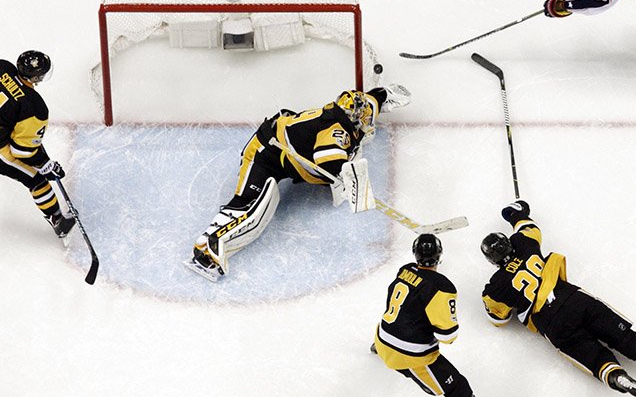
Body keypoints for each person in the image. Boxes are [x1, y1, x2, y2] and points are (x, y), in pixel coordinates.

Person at [186, 84, 412, 281]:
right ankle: (207, 249)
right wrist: (351, 181)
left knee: (350, 155)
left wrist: (386, 94)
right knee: (253, 208)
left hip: (291, 154)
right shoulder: (336, 129)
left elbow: (375, 98)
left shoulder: (358, 108)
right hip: (266, 153)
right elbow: (327, 163)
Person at [480, 201, 636, 397]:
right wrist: (515, 212)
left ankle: (620, 379)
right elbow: (527, 224)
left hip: (551, 322)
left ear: (492, 261)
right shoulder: (524, 243)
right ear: (509, 244)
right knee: (627, 339)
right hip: (575, 299)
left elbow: (498, 320)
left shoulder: (494, 289)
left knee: (596, 360)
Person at [0, 51, 75, 244]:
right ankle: (58, 221)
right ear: (37, 77)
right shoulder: (34, 106)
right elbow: (22, 151)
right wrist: (45, 164)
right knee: (36, 180)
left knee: (7, 132)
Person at [372, 234, 473, 397]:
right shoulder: (442, 287)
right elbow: (448, 337)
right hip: (408, 355)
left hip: (381, 338)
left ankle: (378, 349)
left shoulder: (405, 270)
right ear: (439, 254)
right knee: (459, 389)